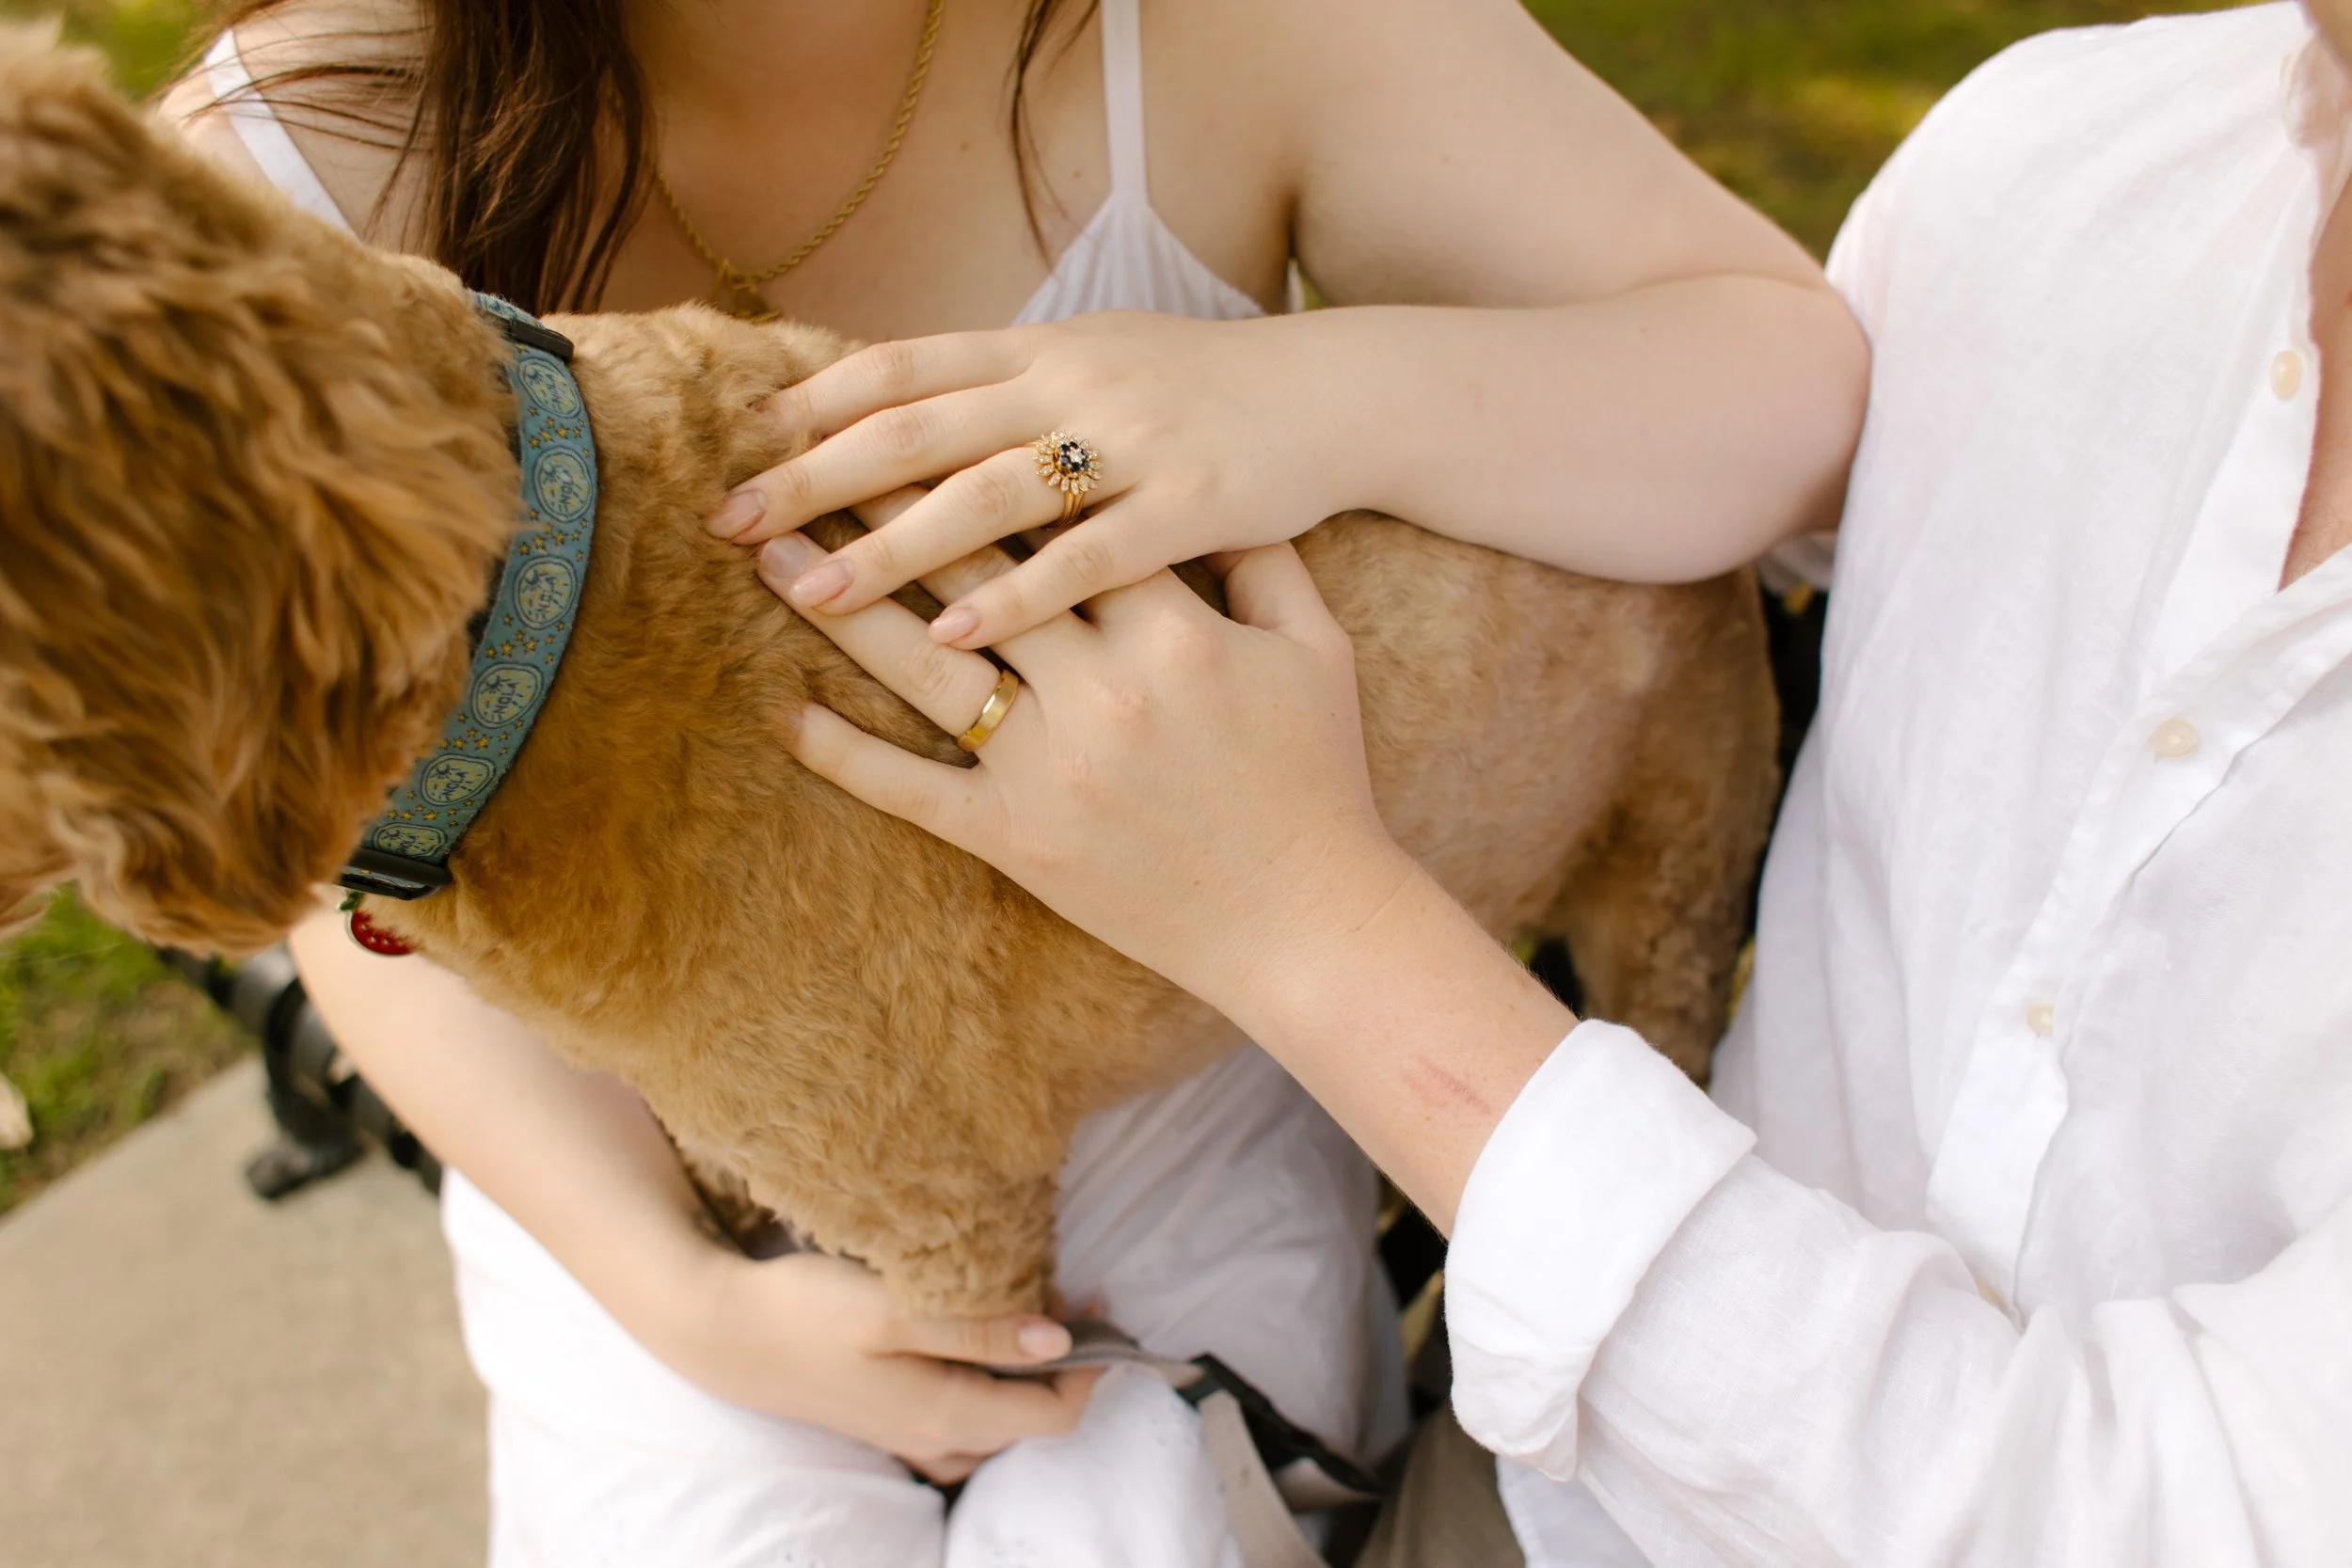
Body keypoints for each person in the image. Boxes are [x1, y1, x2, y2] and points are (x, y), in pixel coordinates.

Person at [163, 0, 1866, 1561]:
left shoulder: (1237, 32)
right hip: (612, 1152)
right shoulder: (302, 144)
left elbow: (1797, 377)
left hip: (1174, 1091)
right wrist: (675, 1292)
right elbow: (328, 835)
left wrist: (1296, 395)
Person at [753, 0, 2352, 1561]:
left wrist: (1305, 926)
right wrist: (1303, 399)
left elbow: (2166, 1513)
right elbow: (1786, 435)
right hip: (1539, 1488)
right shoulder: (2056, 155)